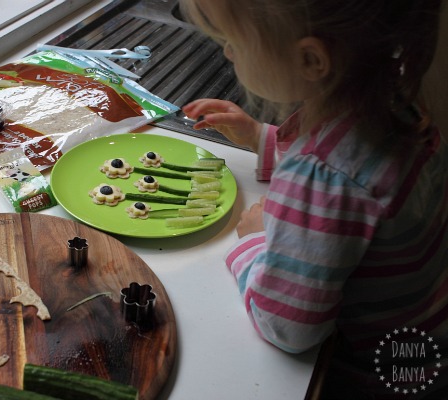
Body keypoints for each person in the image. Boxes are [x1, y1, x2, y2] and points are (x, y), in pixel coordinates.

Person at [180, 0, 448, 398]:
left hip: (372, 378)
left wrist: (254, 240)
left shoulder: (319, 176)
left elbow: (287, 326)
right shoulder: (401, 105)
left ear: (310, 60)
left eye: (232, 41)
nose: (227, 53)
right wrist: (259, 137)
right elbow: (350, 167)